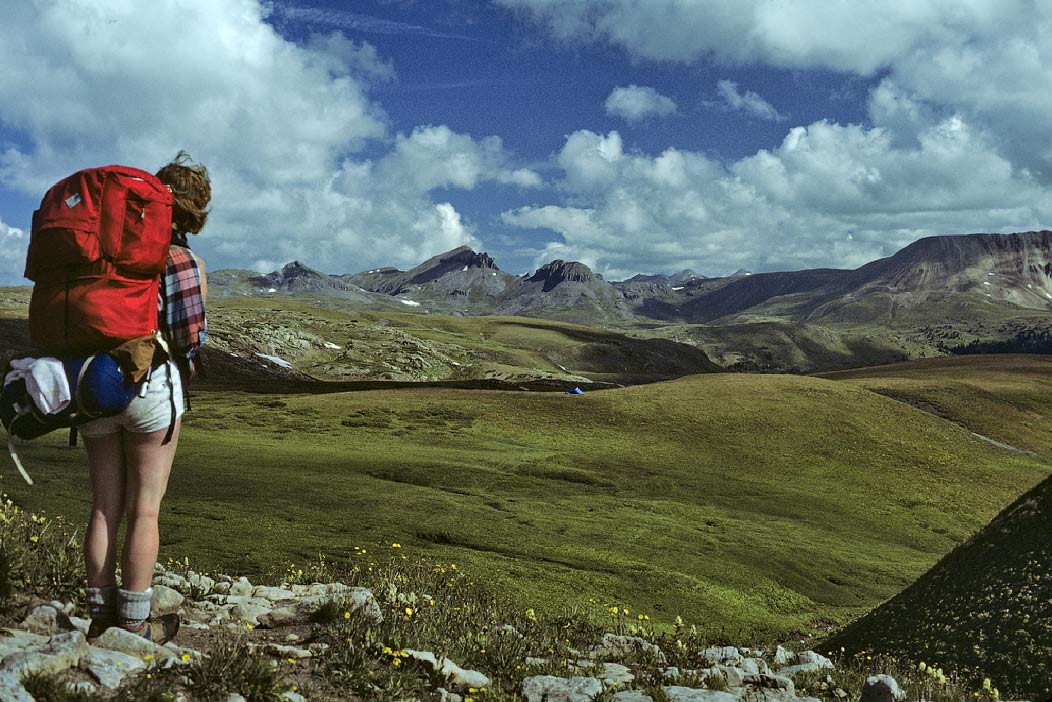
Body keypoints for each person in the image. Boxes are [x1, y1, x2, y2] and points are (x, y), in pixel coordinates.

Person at [79, 152, 210, 644]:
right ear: (193, 214)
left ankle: (98, 615)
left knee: (103, 506)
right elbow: (188, 336)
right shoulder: (183, 260)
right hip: (151, 389)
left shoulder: (103, 249)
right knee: (146, 508)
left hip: (94, 388)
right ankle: (134, 622)